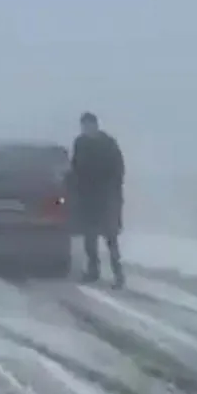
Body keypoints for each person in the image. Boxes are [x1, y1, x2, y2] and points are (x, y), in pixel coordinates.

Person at [71, 112, 126, 288]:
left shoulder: (108, 143)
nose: (86, 129)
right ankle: (93, 271)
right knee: (90, 239)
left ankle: (118, 275)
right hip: (88, 198)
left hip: (107, 198)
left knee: (111, 238)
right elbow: (75, 168)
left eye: (89, 125)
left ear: (95, 125)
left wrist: (113, 192)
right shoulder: (80, 143)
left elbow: (119, 169)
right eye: (84, 126)